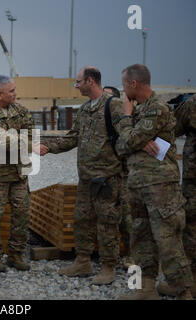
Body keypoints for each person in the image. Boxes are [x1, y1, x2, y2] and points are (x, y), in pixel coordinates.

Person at [41, 67, 126, 285]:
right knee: (82, 220)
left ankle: (108, 267)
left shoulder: (113, 105)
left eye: (78, 82)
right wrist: (48, 147)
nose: (76, 86)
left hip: (107, 178)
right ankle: (83, 261)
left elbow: (127, 136)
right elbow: (73, 138)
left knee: (107, 223)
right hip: (86, 178)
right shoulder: (85, 109)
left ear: (90, 81)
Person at [116, 64, 193, 300]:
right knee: (140, 240)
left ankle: (184, 292)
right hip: (138, 185)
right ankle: (144, 289)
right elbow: (121, 147)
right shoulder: (141, 110)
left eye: (124, 84)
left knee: (167, 240)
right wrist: (133, 138)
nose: (123, 90)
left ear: (133, 84)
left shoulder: (156, 108)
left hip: (161, 188)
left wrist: (127, 120)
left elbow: (128, 141)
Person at [0, 75, 45, 272]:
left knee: (21, 215)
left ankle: (16, 254)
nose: (16, 94)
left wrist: (25, 142)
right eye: (12, 91)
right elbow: (1, 140)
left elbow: (30, 133)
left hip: (19, 174)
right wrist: (29, 145)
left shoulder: (21, 111)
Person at [155, 94, 196, 298]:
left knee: (191, 229)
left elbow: (169, 131)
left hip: (194, 181)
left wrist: (150, 153)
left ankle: (188, 284)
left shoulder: (193, 104)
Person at [103, 85, 134, 269]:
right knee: (108, 217)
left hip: (124, 174)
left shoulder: (123, 117)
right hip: (107, 175)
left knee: (127, 217)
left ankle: (132, 255)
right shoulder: (100, 117)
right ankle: (110, 258)